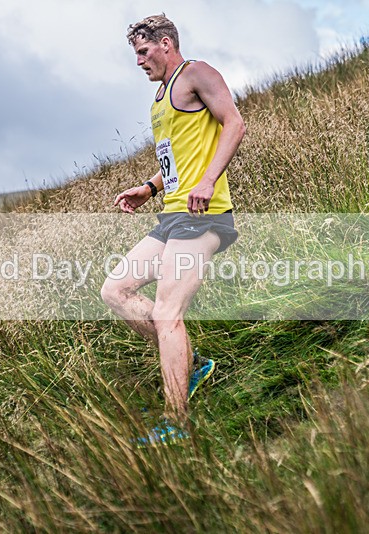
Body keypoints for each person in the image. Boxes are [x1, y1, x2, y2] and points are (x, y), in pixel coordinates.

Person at [101, 14, 246, 445]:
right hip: (172, 213)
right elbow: (177, 160)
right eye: (136, 55)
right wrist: (150, 187)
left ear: (166, 43)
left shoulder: (196, 73)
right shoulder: (160, 97)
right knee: (115, 290)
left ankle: (177, 422)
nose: (139, 61)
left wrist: (207, 181)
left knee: (167, 313)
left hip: (204, 214)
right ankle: (191, 362)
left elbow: (235, 124)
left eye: (144, 52)